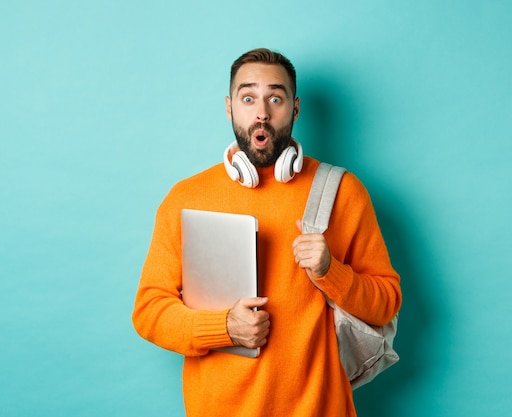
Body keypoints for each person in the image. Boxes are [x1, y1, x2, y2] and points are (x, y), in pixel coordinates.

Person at [132, 48, 401, 417]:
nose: (261, 112)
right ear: (229, 108)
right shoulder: (185, 198)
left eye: (275, 97)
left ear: (295, 108)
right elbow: (149, 311)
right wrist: (224, 327)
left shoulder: (342, 192)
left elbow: (387, 302)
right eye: (248, 98)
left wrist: (330, 271)